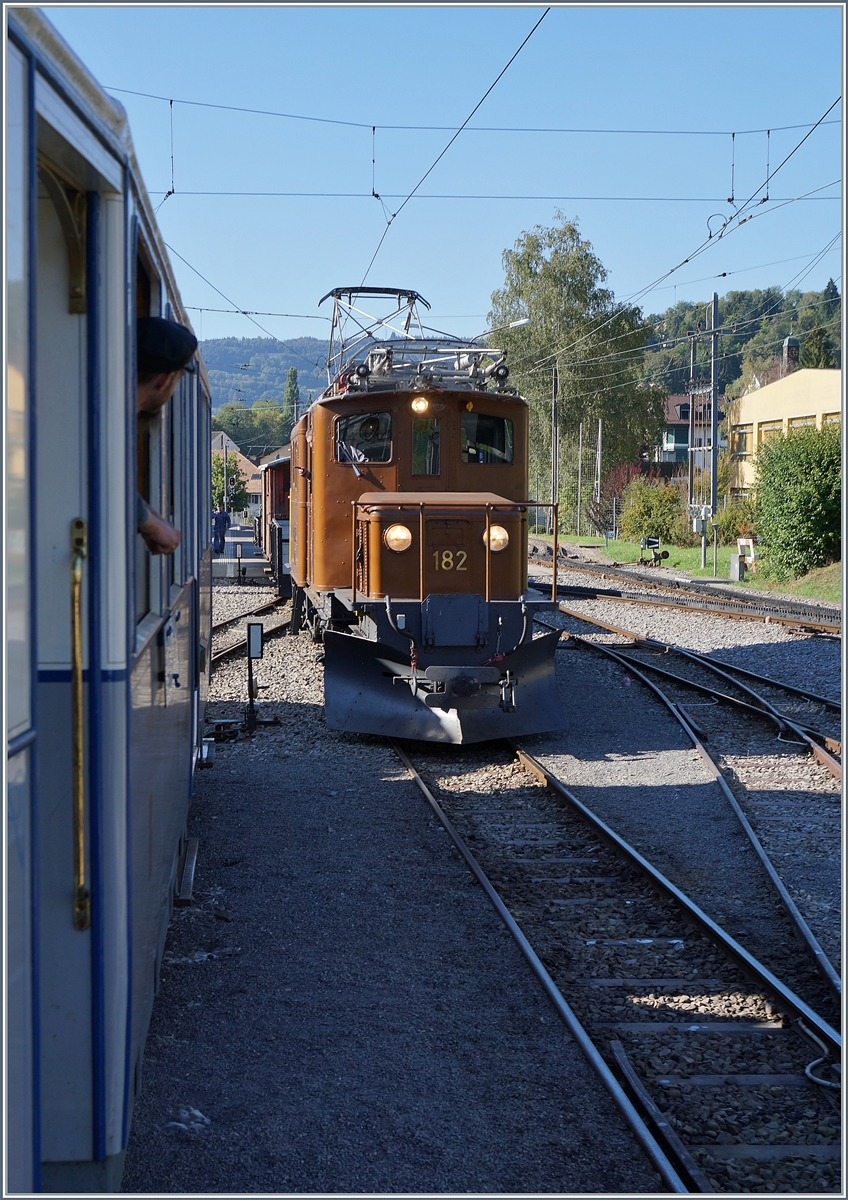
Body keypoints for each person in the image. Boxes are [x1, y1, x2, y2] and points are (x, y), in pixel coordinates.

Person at [136, 317, 198, 554]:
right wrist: (153, 526)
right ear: (165, 379)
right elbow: (105, 484)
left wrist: (153, 521)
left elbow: (115, 484)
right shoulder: (106, 423)